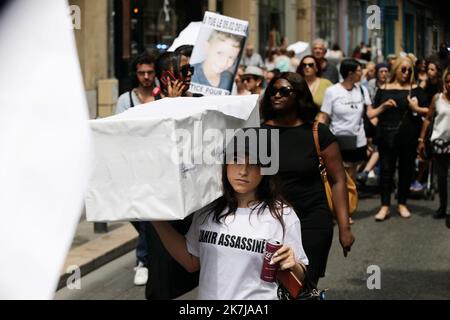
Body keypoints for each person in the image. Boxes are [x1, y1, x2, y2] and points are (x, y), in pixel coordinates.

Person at [150, 131, 309, 299]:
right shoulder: (207, 210)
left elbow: (300, 278)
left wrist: (294, 264)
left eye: (254, 163)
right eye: (236, 160)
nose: (243, 171)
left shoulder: (281, 215)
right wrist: (155, 220)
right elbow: (191, 262)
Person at [261, 72, 355, 286]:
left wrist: (344, 228)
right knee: (271, 286)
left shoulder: (317, 132)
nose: (276, 95)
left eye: (283, 91)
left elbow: (338, 180)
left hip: (312, 221)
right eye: (272, 91)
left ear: (299, 95)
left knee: (303, 285)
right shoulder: (259, 133)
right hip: (270, 223)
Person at [144, 51, 199, 300]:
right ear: (167, 76)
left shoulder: (199, 102)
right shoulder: (150, 111)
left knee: (197, 265)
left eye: (191, 71)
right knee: (164, 275)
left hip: (196, 201)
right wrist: (171, 106)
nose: (189, 75)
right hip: (163, 203)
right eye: (184, 71)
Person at [114, 52, 158, 286]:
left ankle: (143, 261)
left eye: (150, 72)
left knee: (148, 216)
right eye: (142, 73)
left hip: (158, 166)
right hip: (133, 167)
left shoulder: (162, 96)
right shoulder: (125, 100)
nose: (146, 77)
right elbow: (118, 131)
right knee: (137, 214)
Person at [367, 57, 428, 221]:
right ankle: (384, 206)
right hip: (387, 135)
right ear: (396, 70)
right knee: (386, 171)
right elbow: (371, 113)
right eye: (403, 69)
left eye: (409, 70)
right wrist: (383, 107)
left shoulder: (416, 90)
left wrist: (416, 108)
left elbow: (428, 112)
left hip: (409, 136)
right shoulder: (384, 89)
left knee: (406, 170)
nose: (406, 73)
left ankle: (402, 203)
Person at [319, 59, 371, 182]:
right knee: (338, 176)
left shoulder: (362, 90)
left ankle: (351, 200)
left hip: (357, 140)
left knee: (351, 176)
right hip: (337, 139)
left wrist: (384, 106)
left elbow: (370, 113)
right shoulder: (332, 91)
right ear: (350, 73)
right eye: (359, 70)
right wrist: (318, 137)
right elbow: (324, 116)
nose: (361, 73)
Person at [418, 69, 450, 228]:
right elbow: (428, 119)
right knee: (442, 179)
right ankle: (443, 207)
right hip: (439, 144)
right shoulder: (437, 99)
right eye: (448, 81)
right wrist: (421, 140)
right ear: (445, 83)